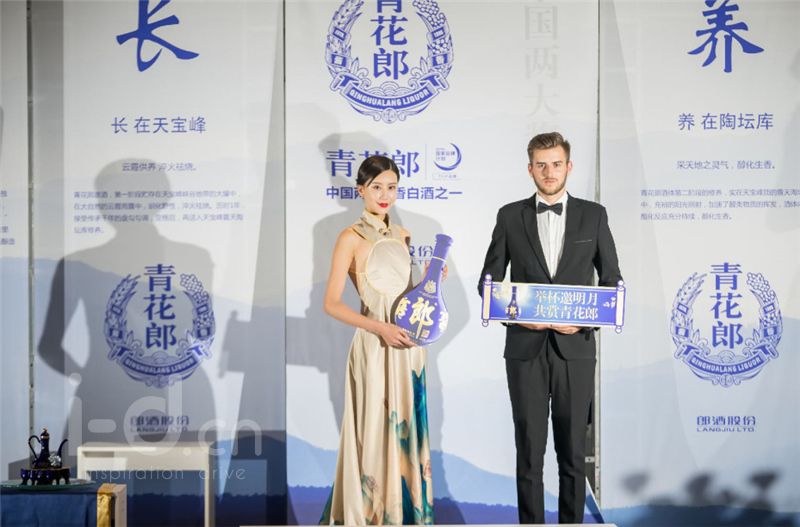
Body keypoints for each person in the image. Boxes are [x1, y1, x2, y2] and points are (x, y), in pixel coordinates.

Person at [478, 132, 622, 524]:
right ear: (530, 169)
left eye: (556, 164)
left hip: (575, 351)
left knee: (573, 453)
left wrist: (583, 320)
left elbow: (612, 282)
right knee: (529, 453)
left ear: (569, 167)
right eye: (541, 165)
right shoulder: (510, 216)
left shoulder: (594, 215)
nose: (549, 172)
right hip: (524, 349)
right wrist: (517, 315)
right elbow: (488, 283)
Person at [320, 155, 434, 525]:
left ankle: (403, 516)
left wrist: (431, 282)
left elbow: (407, 298)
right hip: (374, 346)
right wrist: (379, 328)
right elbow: (331, 303)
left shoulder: (402, 235)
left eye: (392, 187)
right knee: (373, 433)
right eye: (376, 187)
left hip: (406, 348)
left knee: (405, 432)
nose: (385, 195)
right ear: (361, 191)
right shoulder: (349, 237)